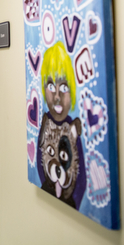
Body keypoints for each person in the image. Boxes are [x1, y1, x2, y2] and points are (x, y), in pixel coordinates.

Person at [36, 41, 85, 209]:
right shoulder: (46, 122)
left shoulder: (72, 127)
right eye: (50, 85)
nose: (56, 96)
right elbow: (39, 162)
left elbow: (81, 177)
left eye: (63, 87)